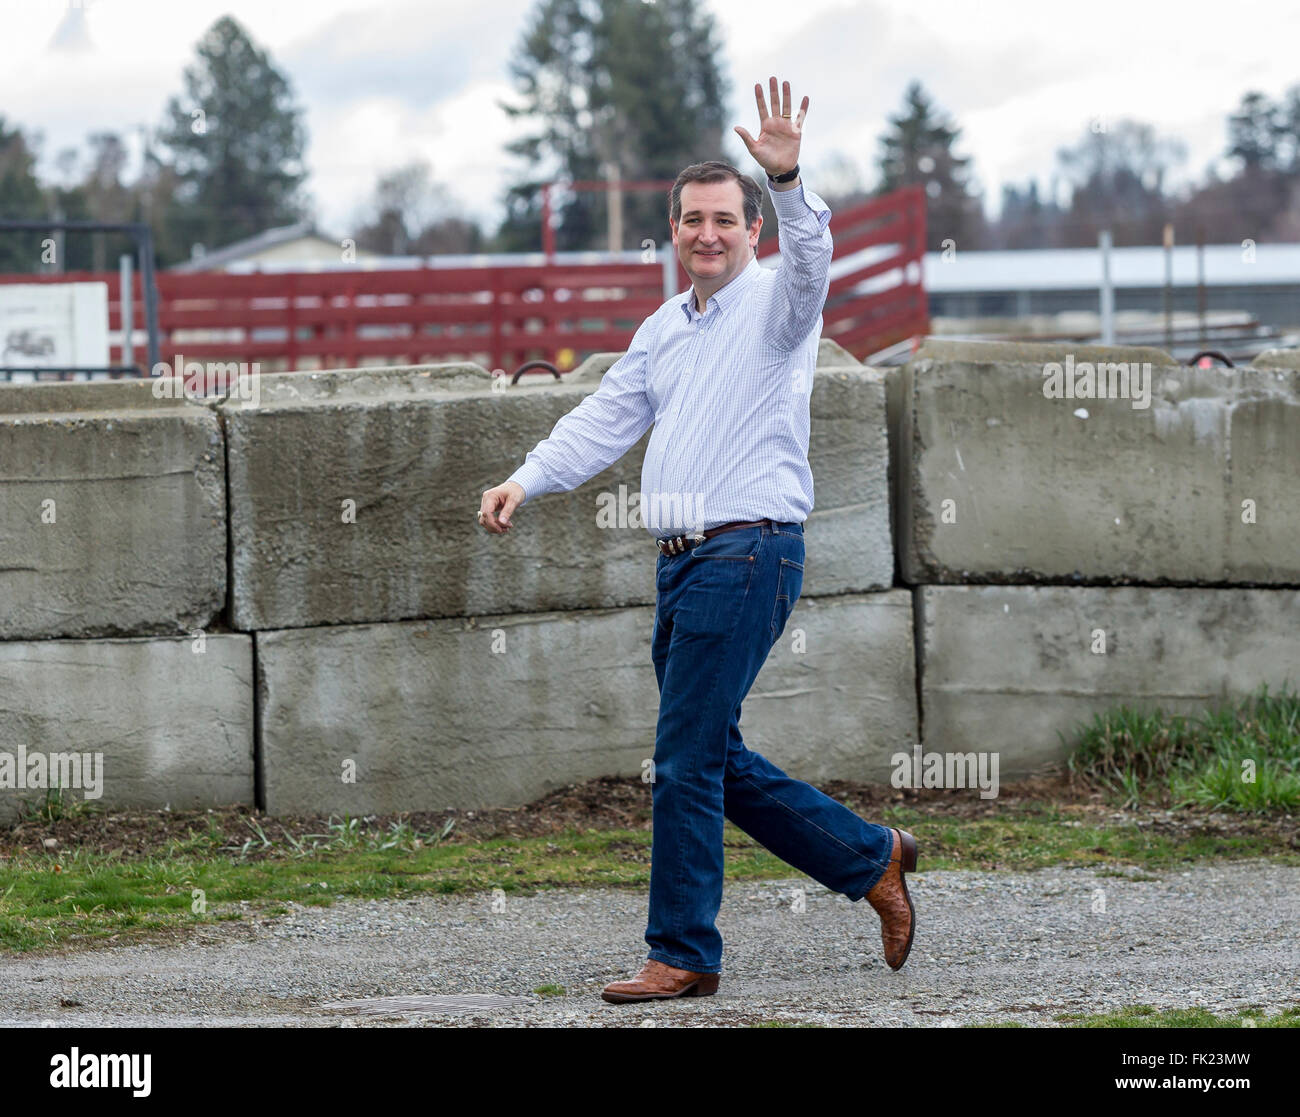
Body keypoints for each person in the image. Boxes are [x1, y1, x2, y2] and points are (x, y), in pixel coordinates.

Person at [478, 77, 916, 1004]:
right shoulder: (663, 329)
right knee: (710, 754)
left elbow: (812, 259)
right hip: (683, 564)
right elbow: (602, 420)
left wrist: (789, 178)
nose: (707, 233)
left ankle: (682, 952)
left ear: (751, 230)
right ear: (673, 231)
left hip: (748, 550)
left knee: (681, 762)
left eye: (726, 218)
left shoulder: (779, 306)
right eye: (691, 219)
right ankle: (871, 855)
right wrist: (526, 476)